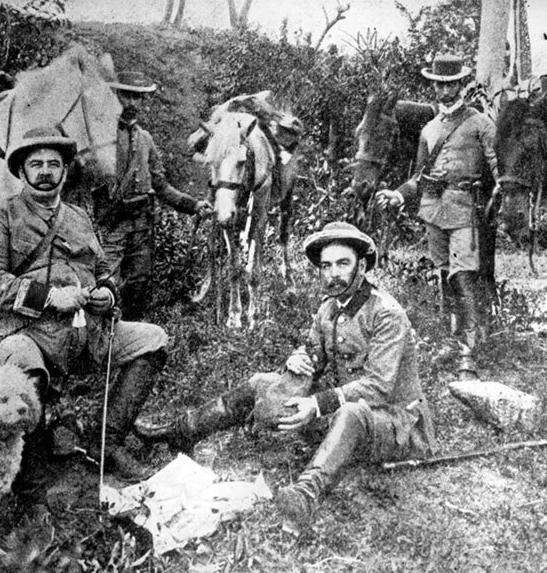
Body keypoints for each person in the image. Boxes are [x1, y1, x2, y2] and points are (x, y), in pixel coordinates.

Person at [136, 221, 435, 533]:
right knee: (259, 382)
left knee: (351, 411)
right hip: (354, 413)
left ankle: (305, 494)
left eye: (342, 264)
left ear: (361, 265)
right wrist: (300, 358)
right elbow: (316, 354)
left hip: (396, 424)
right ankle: (183, 431)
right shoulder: (329, 309)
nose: (333, 273)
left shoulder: (386, 312)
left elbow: (378, 387)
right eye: (326, 266)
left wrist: (316, 404)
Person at [0, 126, 170, 480]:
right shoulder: (1, 216)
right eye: (36, 164)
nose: (45, 171)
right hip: (24, 331)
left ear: (65, 171)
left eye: (54, 164)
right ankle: (28, 468)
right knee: (24, 368)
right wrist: (50, 296)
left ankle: (105, 443)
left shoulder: (79, 217)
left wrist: (107, 293)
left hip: (85, 331)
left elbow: (105, 268)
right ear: (22, 172)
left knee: (152, 339)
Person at [376, 53, 498, 380]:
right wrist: (398, 194)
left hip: (464, 210)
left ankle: (468, 352)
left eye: (451, 84)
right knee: (445, 276)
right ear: (433, 86)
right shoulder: (429, 129)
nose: (444, 91)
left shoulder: (480, 123)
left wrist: (498, 199)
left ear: (461, 84)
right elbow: (419, 175)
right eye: (439, 85)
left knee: (463, 275)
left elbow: (499, 170)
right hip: (433, 209)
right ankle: (450, 338)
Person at [100, 71, 213, 315]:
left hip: (142, 226)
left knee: (138, 286)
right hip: (112, 226)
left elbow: (161, 186)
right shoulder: (101, 136)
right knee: (105, 285)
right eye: (126, 96)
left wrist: (193, 205)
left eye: (138, 98)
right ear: (116, 96)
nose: (132, 103)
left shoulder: (146, 139)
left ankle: (133, 337)